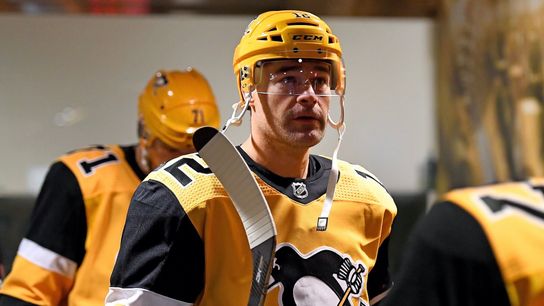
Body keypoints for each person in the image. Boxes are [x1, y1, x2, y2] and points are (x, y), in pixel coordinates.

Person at [106, 10, 397, 306]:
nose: (308, 94)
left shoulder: (369, 201)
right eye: (288, 79)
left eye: (320, 80)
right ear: (248, 89)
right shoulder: (182, 197)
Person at [0, 68, 220, 306]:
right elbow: (28, 292)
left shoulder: (222, 194)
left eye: (198, 151)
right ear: (144, 133)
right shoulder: (83, 180)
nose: (186, 161)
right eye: (172, 149)